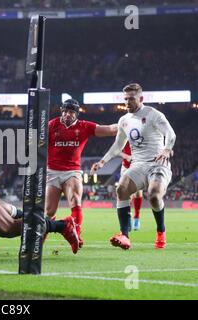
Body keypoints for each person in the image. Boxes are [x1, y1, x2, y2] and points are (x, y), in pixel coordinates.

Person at [91, 83, 176, 250]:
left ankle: (161, 231)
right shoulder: (124, 120)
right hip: (138, 165)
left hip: (157, 164)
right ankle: (124, 235)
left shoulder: (153, 114)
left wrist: (167, 149)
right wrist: (102, 161)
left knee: (154, 196)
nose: (127, 103)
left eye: (131, 99)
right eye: (125, 99)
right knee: (121, 189)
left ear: (141, 98)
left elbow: (170, 134)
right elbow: (117, 146)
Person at [45, 99, 118, 248]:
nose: (67, 114)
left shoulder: (84, 126)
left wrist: (128, 123)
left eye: (71, 112)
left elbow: (110, 129)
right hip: (51, 172)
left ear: (77, 113)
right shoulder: (51, 125)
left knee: (75, 200)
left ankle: (76, 235)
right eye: (65, 111)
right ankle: (42, 236)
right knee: (49, 210)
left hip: (72, 171)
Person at [118, 142, 144, 231]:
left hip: (138, 166)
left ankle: (136, 217)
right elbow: (117, 150)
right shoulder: (124, 131)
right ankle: (127, 216)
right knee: (126, 193)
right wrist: (126, 156)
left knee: (137, 192)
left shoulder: (141, 132)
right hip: (126, 167)